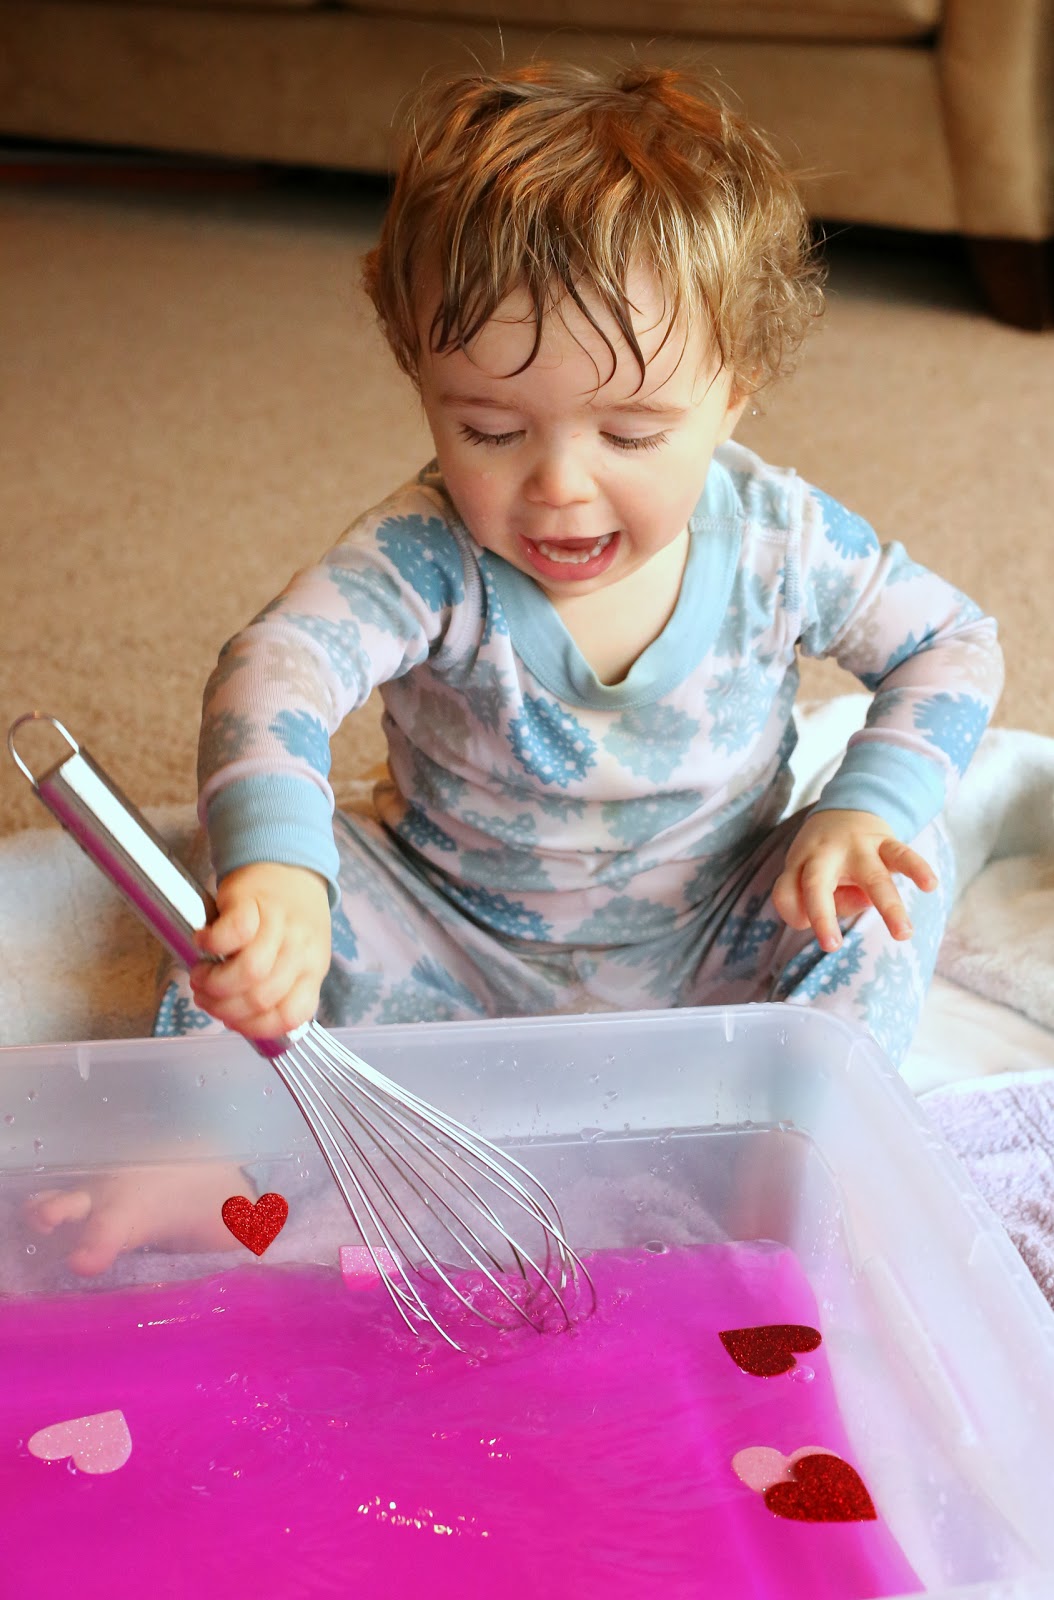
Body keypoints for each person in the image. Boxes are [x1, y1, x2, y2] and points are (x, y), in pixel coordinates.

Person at [29, 61, 1003, 1274]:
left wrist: (866, 807)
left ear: (736, 395)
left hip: (713, 935)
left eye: (633, 433)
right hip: (449, 939)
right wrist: (283, 880)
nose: (558, 483)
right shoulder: (425, 554)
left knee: (891, 884)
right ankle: (202, 1149)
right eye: (489, 428)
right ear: (423, 387)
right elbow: (273, 670)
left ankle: (794, 1144)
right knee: (236, 938)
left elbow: (951, 641)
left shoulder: (781, 538)